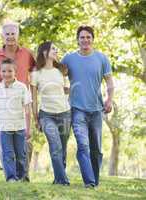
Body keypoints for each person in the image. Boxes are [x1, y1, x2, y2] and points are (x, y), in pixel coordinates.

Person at [61, 25, 114, 188]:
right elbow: (57, 76)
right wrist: (65, 89)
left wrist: (109, 100)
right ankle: (89, 182)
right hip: (77, 109)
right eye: (82, 37)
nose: (85, 40)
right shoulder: (69, 58)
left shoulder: (102, 58)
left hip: (97, 110)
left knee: (96, 149)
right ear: (77, 40)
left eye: (88, 37)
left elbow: (110, 83)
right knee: (83, 145)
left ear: (93, 39)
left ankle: (94, 181)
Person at [0, 22, 35, 181]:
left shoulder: (27, 54)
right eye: (7, 34)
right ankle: (11, 176)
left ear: (18, 35)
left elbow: (37, 73)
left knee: (25, 141)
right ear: (3, 36)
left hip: (23, 104)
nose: (10, 37)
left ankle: (24, 174)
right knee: (5, 144)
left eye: (13, 33)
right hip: (3, 106)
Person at [31, 41, 71, 185]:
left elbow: (67, 90)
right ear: (44, 52)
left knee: (63, 148)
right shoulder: (36, 73)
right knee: (55, 146)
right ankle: (62, 180)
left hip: (65, 113)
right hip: (46, 115)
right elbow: (34, 98)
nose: (56, 51)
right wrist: (36, 118)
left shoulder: (61, 70)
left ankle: (59, 177)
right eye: (53, 49)